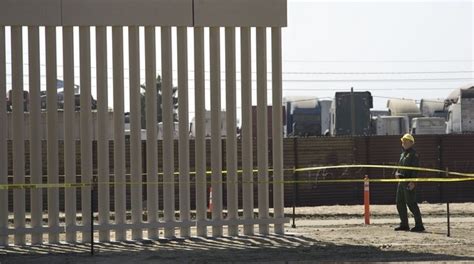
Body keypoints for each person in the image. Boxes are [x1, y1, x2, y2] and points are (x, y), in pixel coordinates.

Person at [394, 133, 425, 232]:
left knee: (411, 203)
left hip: (408, 182)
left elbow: (415, 169)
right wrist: (396, 172)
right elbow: (400, 166)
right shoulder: (403, 154)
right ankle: (404, 224)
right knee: (400, 203)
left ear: (411, 142)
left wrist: (413, 182)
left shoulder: (414, 154)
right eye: (403, 141)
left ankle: (419, 225)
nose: (404, 143)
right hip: (401, 182)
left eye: (406, 141)